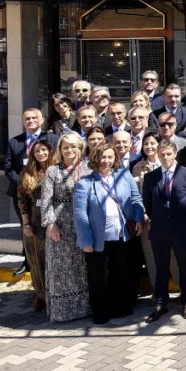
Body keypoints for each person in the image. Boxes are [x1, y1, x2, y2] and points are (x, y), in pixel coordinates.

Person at [73, 140, 145, 325]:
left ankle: (120, 308)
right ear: (96, 158)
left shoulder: (124, 175)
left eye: (110, 157)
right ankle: (100, 312)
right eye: (103, 157)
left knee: (119, 273)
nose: (106, 160)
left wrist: (138, 218)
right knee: (97, 276)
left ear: (115, 158)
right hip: (97, 238)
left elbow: (136, 198)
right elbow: (80, 213)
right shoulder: (85, 183)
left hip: (121, 234)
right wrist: (85, 240)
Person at [142, 138, 186, 321]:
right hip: (159, 230)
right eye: (162, 154)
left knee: (184, 266)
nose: (165, 157)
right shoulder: (151, 177)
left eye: (168, 154)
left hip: (181, 228)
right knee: (161, 268)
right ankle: (161, 303)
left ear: (175, 154)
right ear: (157, 155)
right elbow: (148, 204)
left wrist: (178, 216)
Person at [40, 132, 91, 322]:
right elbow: (46, 201)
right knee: (61, 269)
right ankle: (63, 312)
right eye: (65, 147)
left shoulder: (88, 168)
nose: (70, 150)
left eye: (73, 146)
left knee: (82, 268)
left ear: (81, 148)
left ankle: (84, 308)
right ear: (60, 150)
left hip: (84, 224)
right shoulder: (53, 171)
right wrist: (51, 224)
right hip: (61, 226)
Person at [6, 109, 52, 277]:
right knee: (27, 229)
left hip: (49, 195)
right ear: (23, 122)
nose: (31, 120)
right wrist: (25, 184)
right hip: (24, 195)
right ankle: (28, 262)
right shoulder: (14, 142)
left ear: (41, 120)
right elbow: (9, 168)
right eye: (27, 118)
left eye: (34, 118)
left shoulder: (52, 138)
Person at [18, 138, 53, 310]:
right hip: (34, 219)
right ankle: (40, 295)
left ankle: (55, 295)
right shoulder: (27, 173)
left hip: (55, 219)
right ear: (33, 154)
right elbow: (22, 200)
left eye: (44, 150)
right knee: (36, 261)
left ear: (50, 151)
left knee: (53, 260)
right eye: (37, 151)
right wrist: (26, 224)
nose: (41, 154)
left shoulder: (57, 169)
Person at [131, 132, 164, 292]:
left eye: (152, 143)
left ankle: (180, 285)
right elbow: (135, 194)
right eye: (146, 144)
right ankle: (157, 289)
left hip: (166, 217)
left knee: (171, 254)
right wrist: (142, 214)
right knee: (150, 255)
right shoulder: (138, 167)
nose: (149, 147)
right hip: (146, 218)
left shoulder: (167, 163)